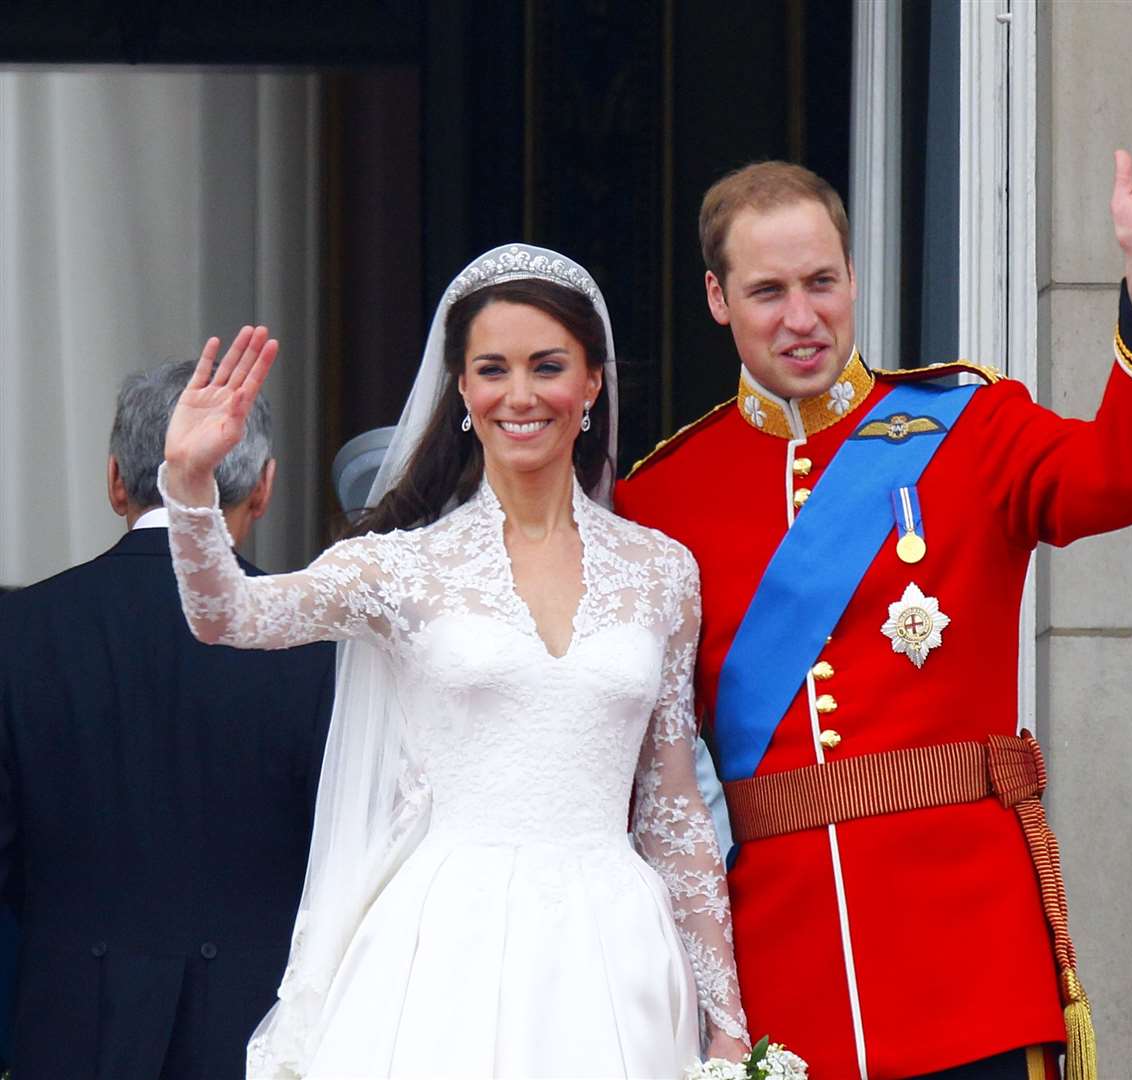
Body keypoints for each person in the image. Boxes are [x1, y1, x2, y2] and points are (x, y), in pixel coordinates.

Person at [615, 116, 1132, 1079]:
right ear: (716, 298)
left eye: (821, 282)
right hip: (783, 984)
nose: (802, 318)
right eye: (768, 291)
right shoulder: (660, 498)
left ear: (853, 277)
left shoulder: (969, 426)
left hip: (971, 970)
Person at [158, 245, 749, 1078]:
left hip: (616, 946)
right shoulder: (402, 566)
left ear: (590, 384)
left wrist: (725, 1021)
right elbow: (229, 616)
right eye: (491, 369)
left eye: (547, 366)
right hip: (445, 940)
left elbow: (672, 804)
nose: (520, 395)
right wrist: (188, 482)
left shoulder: (661, 571)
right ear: (462, 392)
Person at [0, 360, 335, 1079]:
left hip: (67, 1029)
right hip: (258, 1033)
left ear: (115, 478)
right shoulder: (319, 646)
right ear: (266, 486)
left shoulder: (16, 631)